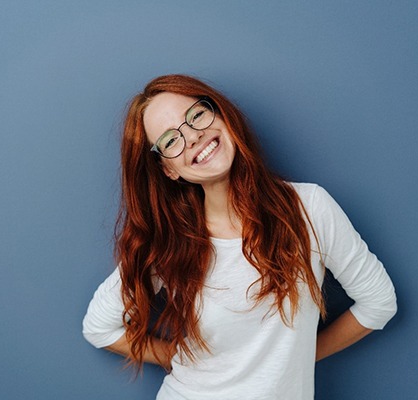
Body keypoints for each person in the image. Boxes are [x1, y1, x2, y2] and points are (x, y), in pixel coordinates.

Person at [82, 74, 397, 400]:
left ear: (221, 114)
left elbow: (379, 303)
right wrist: (175, 357)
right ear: (168, 170)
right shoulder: (171, 243)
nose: (192, 137)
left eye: (196, 115)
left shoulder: (309, 209)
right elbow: (98, 327)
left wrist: (301, 357)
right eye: (170, 140)